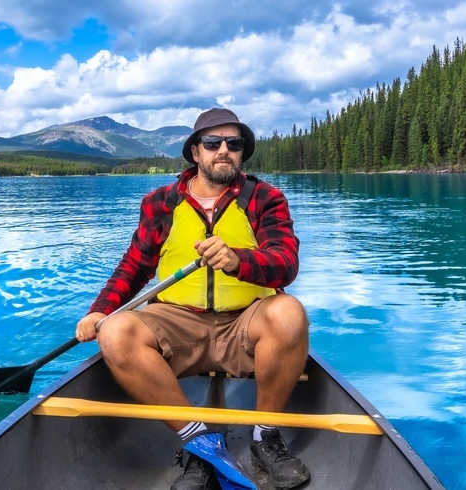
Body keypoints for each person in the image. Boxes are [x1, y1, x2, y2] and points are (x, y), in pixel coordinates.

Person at [76, 107, 310, 490]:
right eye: (212, 143)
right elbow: (134, 267)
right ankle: (201, 443)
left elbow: (285, 263)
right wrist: (99, 310)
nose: (224, 150)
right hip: (178, 322)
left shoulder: (265, 198)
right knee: (115, 332)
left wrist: (239, 260)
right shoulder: (160, 203)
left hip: (246, 322)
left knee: (289, 313)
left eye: (233, 144)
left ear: (241, 153)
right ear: (195, 152)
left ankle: (264, 436)